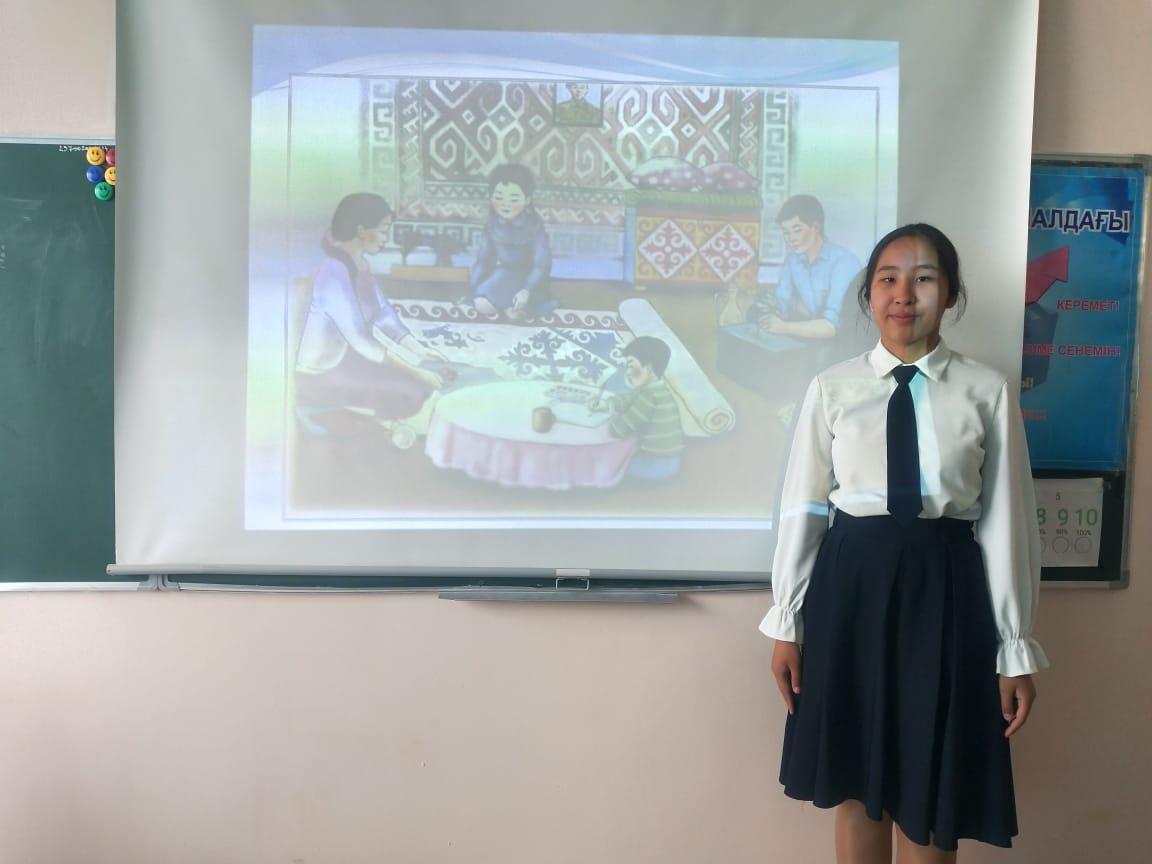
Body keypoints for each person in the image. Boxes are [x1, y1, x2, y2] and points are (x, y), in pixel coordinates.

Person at [760, 224, 1048, 861]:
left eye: (923, 279)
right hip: (849, 592)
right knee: (855, 784)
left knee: (931, 785)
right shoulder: (832, 388)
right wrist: (787, 622)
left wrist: (1014, 647)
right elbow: (803, 508)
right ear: (868, 293)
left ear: (951, 294)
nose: (904, 295)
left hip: (946, 591)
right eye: (888, 279)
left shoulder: (986, 390)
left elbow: (1007, 523)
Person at [295, 192, 444, 443]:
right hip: (319, 374)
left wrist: (421, 352)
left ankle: (377, 423)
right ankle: (357, 423)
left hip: (345, 361)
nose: (386, 238)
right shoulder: (333, 273)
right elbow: (360, 339)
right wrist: (417, 372)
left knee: (417, 387)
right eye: (383, 230)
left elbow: (383, 314)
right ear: (362, 230)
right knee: (412, 390)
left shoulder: (359, 265)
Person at [748, 195, 862, 339]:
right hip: (811, 337)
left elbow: (831, 327)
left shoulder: (844, 262)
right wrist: (770, 310)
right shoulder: (792, 261)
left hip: (846, 341)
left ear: (816, 227)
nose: (791, 239)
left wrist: (783, 327)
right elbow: (782, 302)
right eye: (786, 232)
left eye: (797, 230)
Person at [468, 164, 556, 321]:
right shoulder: (492, 226)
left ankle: (517, 309)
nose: (505, 204)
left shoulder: (535, 226)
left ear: (527, 200)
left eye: (514, 199)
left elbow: (541, 265)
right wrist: (474, 288)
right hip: (502, 276)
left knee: (516, 313)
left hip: (529, 279)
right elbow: (483, 261)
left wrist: (527, 290)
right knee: (481, 304)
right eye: (499, 198)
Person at [592, 336, 685, 480]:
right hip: (671, 460)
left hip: (656, 464)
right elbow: (627, 399)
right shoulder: (656, 388)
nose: (627, 372)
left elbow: (619, 429)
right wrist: (607, 404)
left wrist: (608, 419)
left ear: (649, 367)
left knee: (607, 466)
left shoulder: (649, 395)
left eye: (631, 366)